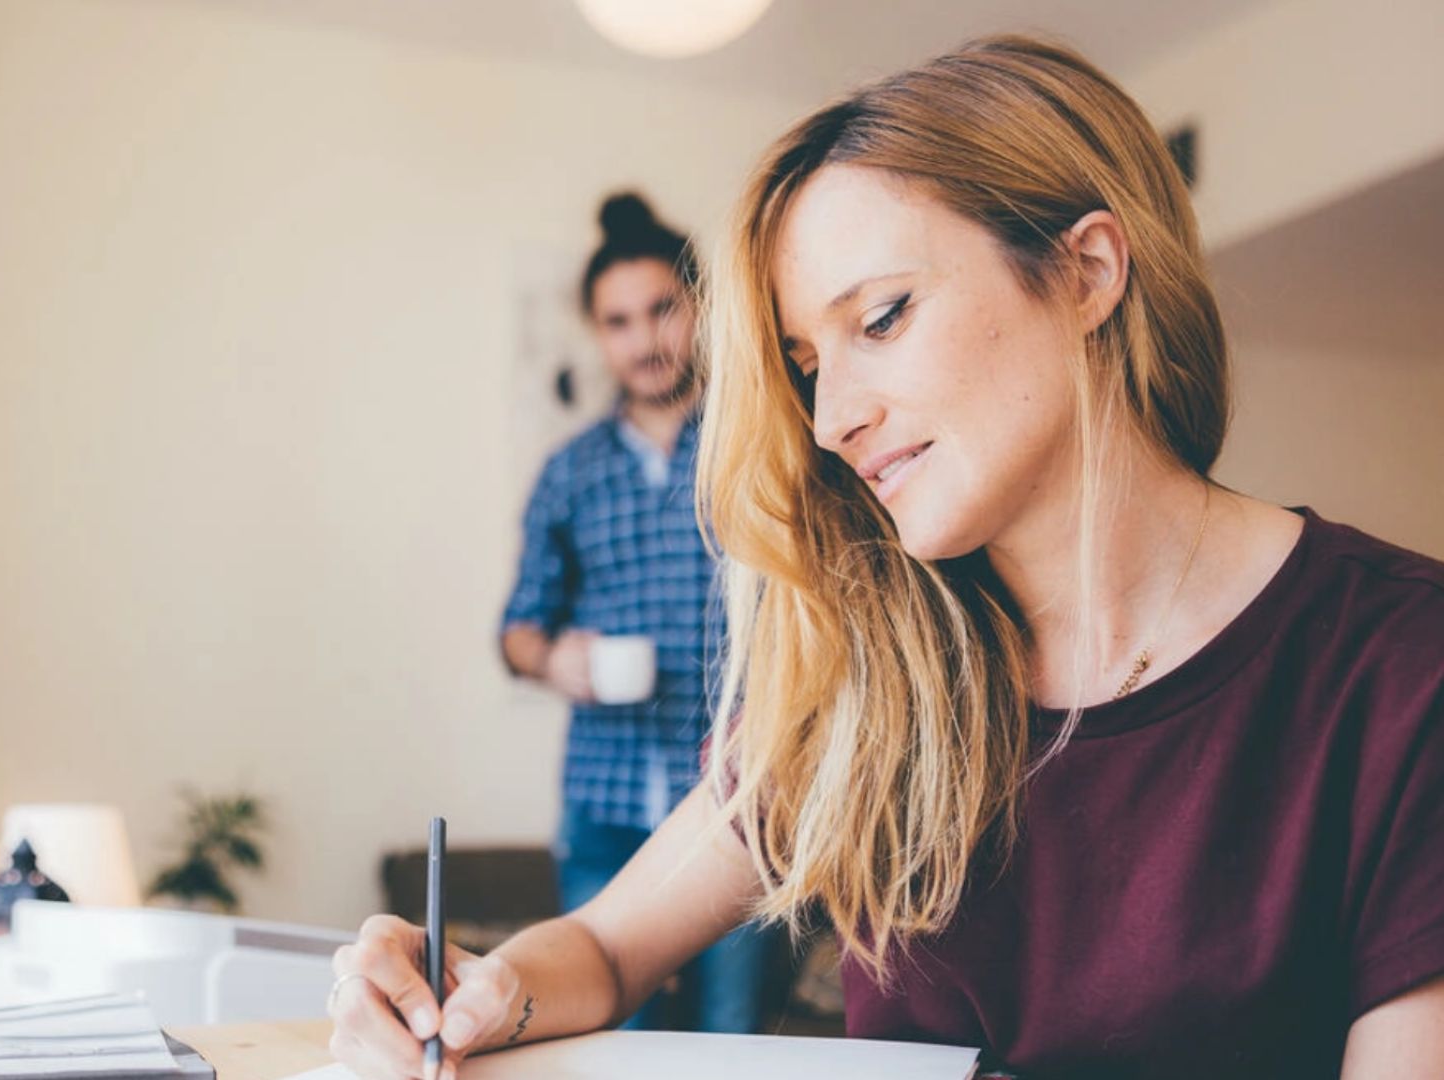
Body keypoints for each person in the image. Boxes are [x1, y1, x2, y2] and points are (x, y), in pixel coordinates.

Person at [327, 34, 1444, 1079]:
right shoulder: (872, 686)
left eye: (884, 317)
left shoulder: (1403, 671)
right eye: (809, 362)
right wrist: (481, 988)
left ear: (1088, 273)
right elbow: (608, 953)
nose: (829, 419)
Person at [497, 191, 779, 1033]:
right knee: (609, 1053)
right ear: (597, 332)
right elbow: (515, 629)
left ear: (699, 308)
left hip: (743, 805)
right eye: (619, 321)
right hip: (604, 812)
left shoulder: (758, 442)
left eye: (664, 309)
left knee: (736, 1049)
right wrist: (554, 661)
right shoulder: (568, 473)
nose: (646, 338)